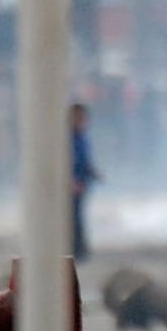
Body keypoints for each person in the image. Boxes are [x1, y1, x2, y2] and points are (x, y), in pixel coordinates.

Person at [70, 103, 101, 262]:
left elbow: (85, 160)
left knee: (78, 217)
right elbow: (63, 163)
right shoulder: (67, 139)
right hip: (71, 187)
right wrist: (71, 182)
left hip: (82, 185)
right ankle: (75, 251)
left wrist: (94, 173)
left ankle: (80, 250)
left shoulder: (83, 138)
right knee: (72, 218)